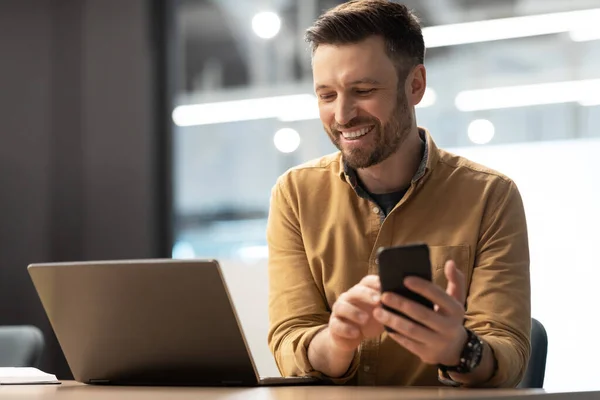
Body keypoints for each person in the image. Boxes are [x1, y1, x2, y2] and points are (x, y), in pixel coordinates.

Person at [266, 0, 530, 388]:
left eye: (363, 90)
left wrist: (460, 348)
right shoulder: (295, 195)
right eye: (327, 95)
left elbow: (508, 352)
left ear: (416, 85)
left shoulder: (491, 197)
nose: (342, 115)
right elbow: (291, 338)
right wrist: (337, 340)